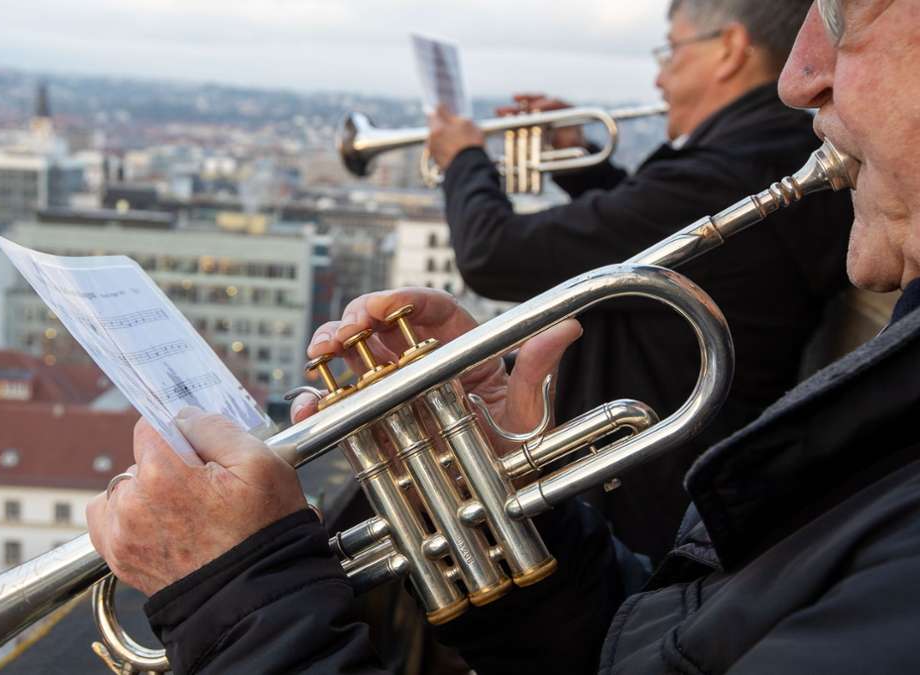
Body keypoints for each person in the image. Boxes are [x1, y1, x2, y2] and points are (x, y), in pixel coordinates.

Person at [87, 1, 920, 673]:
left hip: (649, 494)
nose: (801, 75)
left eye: (851, 11)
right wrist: (502, 518)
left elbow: (495, 253)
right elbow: (667, 645)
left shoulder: (743, 158)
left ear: (727, 48)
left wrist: (239, 601)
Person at [426, 0, 854, 560]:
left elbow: (492, 253)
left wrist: (463, 160)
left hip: (638, 505)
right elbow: (651, 236)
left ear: (728, 49)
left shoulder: (726, 174)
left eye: (671, 50)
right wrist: (583, 162)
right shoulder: (751, 156)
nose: (658, 74)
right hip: (659, 482)